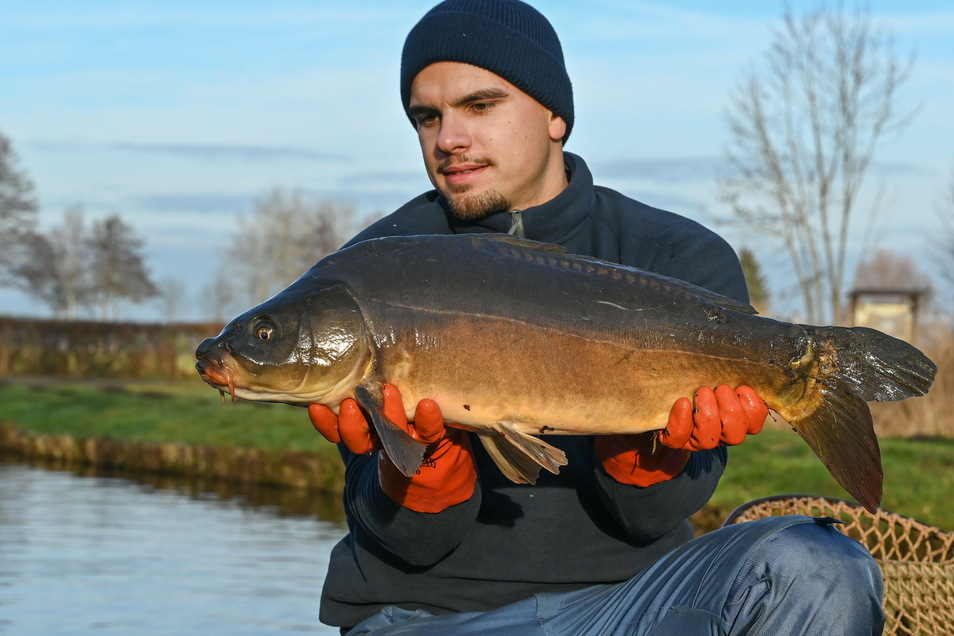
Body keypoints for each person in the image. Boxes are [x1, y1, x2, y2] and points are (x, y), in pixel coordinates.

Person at [307, 1, 885, 634]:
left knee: (819, 565)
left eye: (480, 106)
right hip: (425, 616)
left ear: (555, 115)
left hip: (629, 607)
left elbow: (647, 518)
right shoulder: (374, 270)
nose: (448, 139)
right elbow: (404, 540)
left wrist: (646, 456)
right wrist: (419, 476)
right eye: (427, 117)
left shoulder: (676, 257)